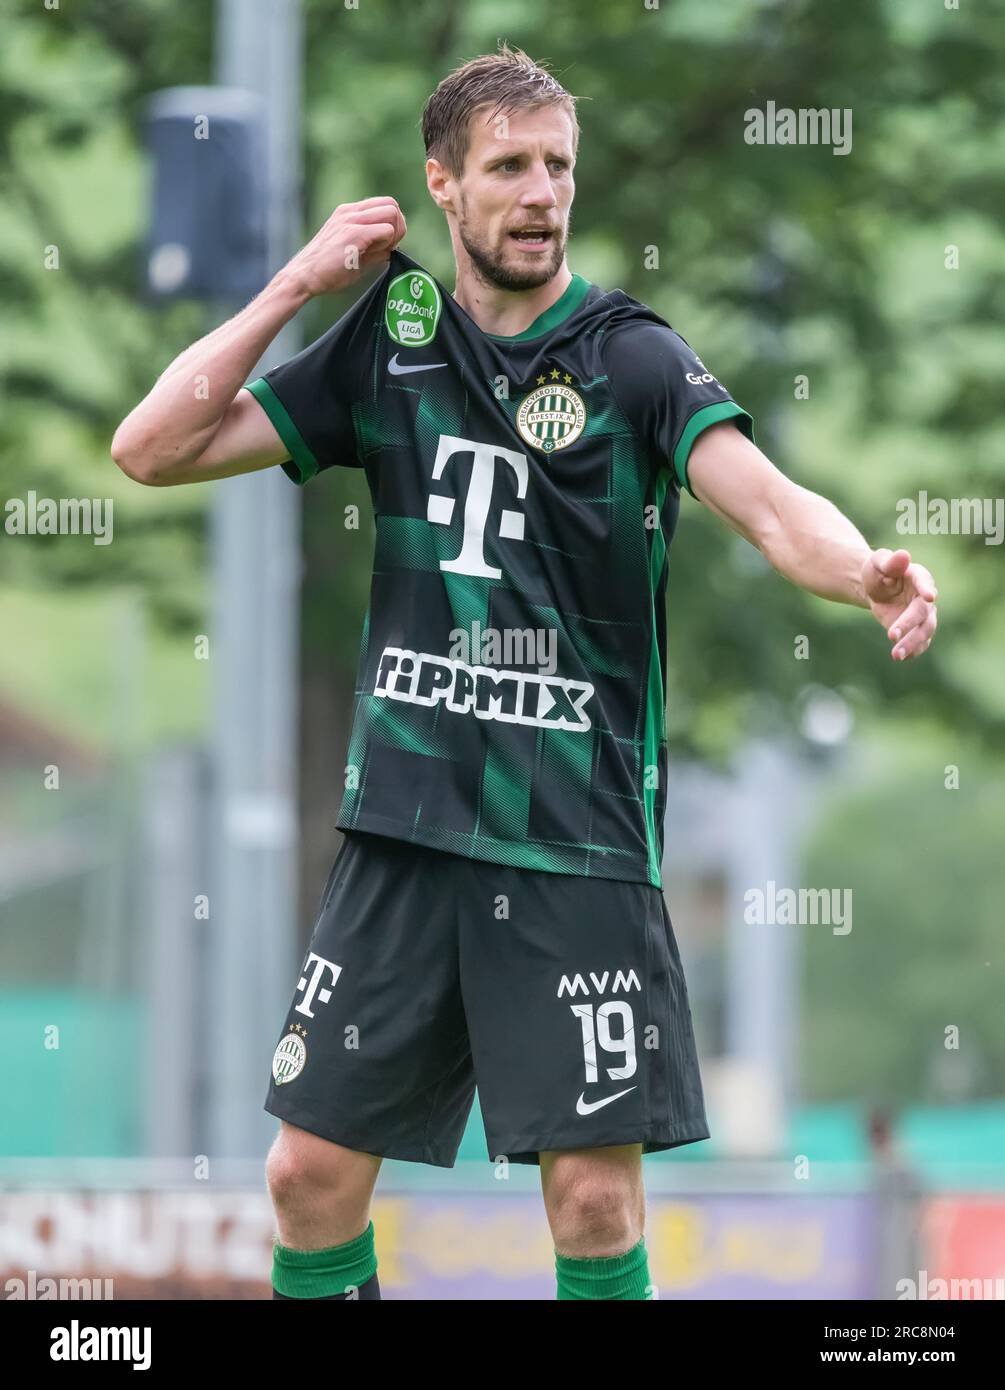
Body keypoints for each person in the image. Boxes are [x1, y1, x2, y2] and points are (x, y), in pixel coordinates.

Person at [112, 43, 938, 1301]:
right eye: (509, 166)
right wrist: (297, 281)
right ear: (443, 185)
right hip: (407, 831)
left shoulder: (633, 358)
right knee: (303, 1178)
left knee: (595, 1198)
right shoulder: (388, 342)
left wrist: (862, 568)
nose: (542, 190)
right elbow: (151, 448)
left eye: (558, 164)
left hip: (575, 839)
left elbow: (769, 508)